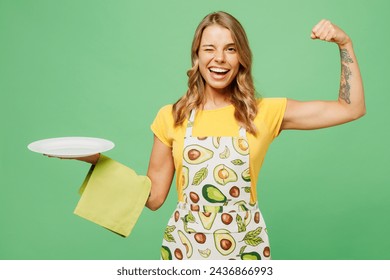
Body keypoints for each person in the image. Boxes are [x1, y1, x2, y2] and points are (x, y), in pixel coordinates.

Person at [51, 11, 365, 260]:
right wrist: (93, 159)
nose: (219, 59)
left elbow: (350, 108)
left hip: (245, 251)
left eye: (230, 49)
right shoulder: (171, 116)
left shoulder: (264, 112)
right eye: (209, 49)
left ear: (241, 56)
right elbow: (154, 197)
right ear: (197, 57)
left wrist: (345, 43)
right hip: (185, 250)